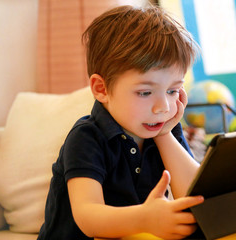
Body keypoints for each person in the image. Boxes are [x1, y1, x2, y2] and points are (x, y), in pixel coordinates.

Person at [38, 4, 204, 240]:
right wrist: (145, 218)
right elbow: (88, 216)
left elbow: (196, 196)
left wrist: (164, 135)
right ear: (101, 89)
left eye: (173, 90)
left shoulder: (163, 128)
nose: (163, 107)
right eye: (145, 93)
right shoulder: (86, 138)